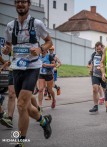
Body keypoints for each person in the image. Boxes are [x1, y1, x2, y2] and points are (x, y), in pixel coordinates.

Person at [2, 0, 53, 146]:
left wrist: (40, 49)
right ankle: (44, 121)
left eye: (23, 2)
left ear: (29, 4)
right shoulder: (10, 26)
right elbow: (8, 45)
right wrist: (6, 49)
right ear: (15, 4)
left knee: (21, 104)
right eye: (18, 2)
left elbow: (49, 41)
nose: (20, 4)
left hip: (32, 66)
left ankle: (21, 142)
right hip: (17, 67)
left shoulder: (37, 24)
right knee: (24, 106)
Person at [89, 42, 106, 114]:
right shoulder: (93, 54)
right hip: (95, 74)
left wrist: (102, 67)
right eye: (97, 49)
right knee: (94, 89)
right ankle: (95, 106)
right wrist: (91, 70)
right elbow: (92, 63)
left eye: (100, 49)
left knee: (106, 90)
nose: (98, 50)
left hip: (103, 75)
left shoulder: (105, 54)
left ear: (102, 47)